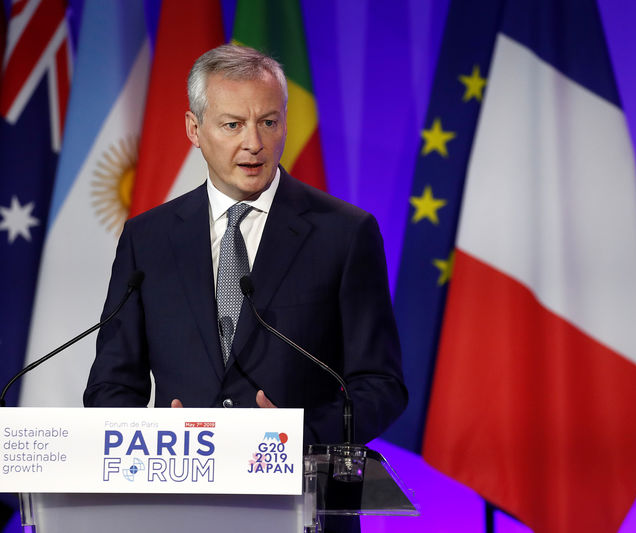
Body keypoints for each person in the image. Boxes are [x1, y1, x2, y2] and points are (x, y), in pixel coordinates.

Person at [83, 44, 407, 447]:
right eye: (233, 125)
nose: (254, 142)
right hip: (179, 496)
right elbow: (110, 385)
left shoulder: (344, 233)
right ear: (194, 129)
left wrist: (300, 437)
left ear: (285, 123)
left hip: (301, 495)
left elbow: (381, 385)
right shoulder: (147, 239)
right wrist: (151, 439)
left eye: (268, 122)